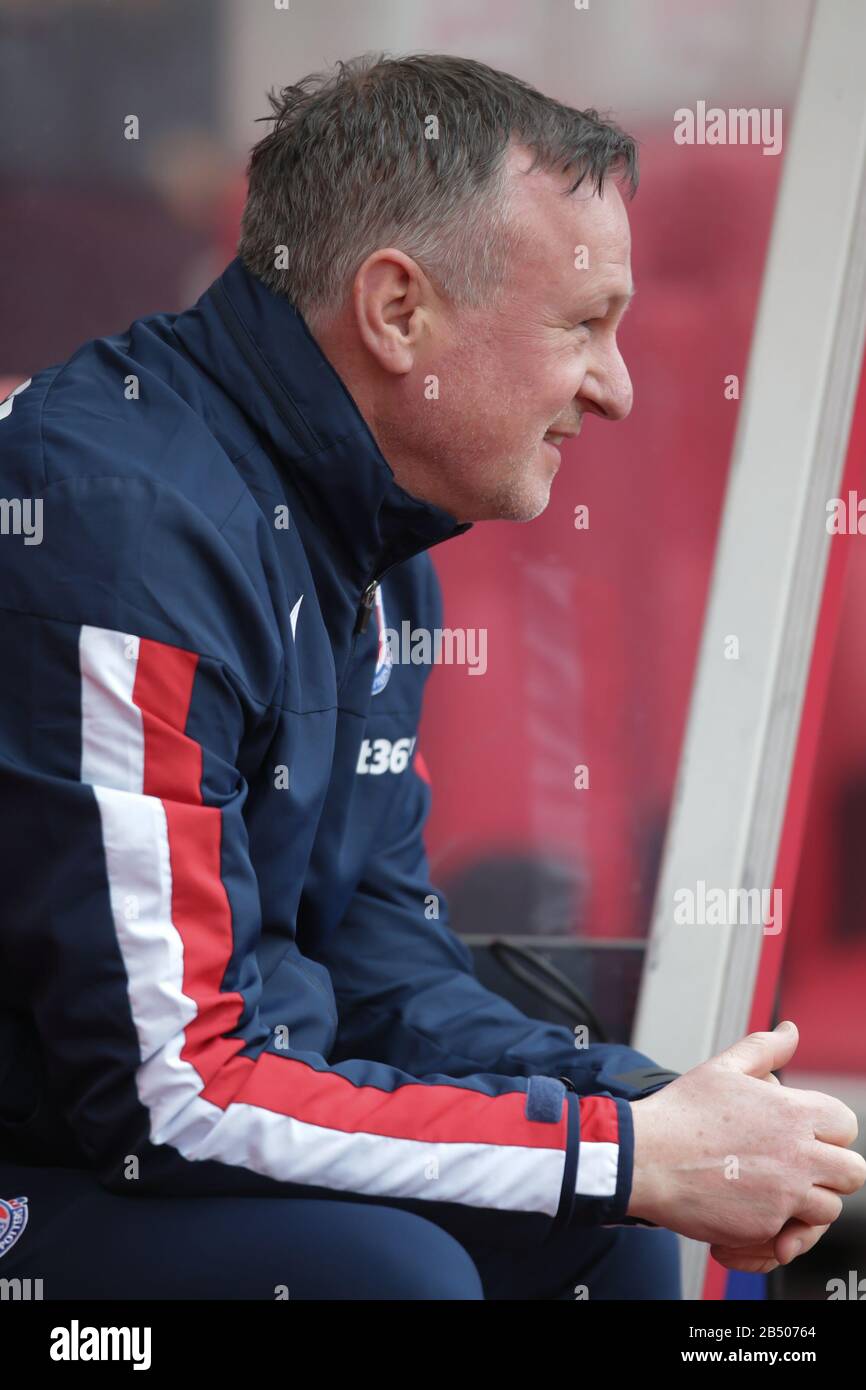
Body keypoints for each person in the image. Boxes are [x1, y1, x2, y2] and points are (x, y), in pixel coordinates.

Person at [0, 52, 862, 1302]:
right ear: (398, 312)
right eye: (583, 324)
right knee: (385, 1278)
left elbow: (374, 966)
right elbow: (167, 1096)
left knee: (611, 1241)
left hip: (126, 1140)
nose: (615, 389)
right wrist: (616, 1153)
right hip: (53, 1170)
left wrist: (663, 1111)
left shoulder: (371, 539)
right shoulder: (123, 534)